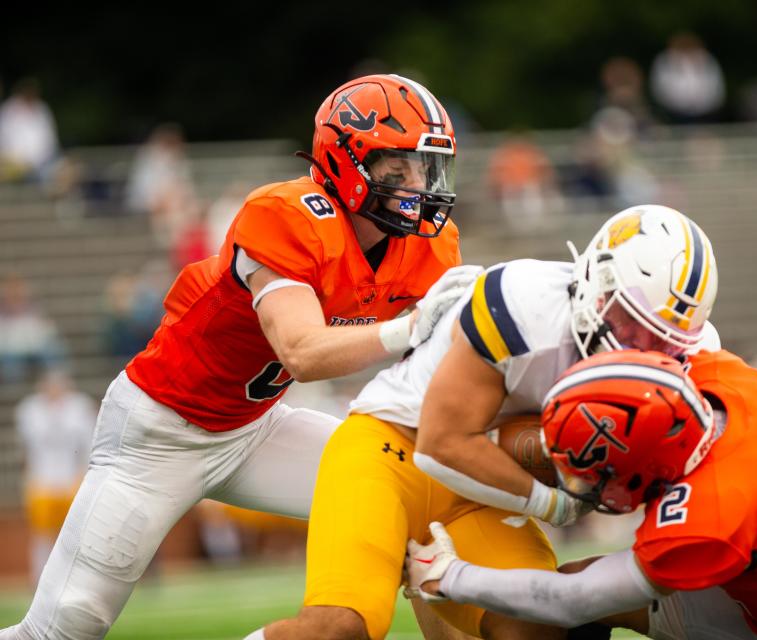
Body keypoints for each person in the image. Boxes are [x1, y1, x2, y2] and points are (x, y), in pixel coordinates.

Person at [0, 73, 472, 640]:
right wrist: (414, 325)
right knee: (63, 630)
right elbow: (302, 352)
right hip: (160, 431)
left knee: (413, 507)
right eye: (398, 169)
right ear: (349, 164)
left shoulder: (427, 245)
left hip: (255, 428)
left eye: (423, 168)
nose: (417, 184)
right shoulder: (288, 216)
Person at [247, 204, 721, 640]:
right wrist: (555, 504)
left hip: (482, 492)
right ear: (595, 282)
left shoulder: (686, 362)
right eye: (627, 322)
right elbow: (440, 445)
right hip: (392, 453)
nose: (638, 348)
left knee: (538, 630)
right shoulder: (523, 303)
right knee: (339, 628)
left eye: (660, 342)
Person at [405, 348, 757, 640]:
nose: (595, 485)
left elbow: (569, 603)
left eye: (606, 472)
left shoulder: (715, 512)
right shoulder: (727, 380)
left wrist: (455, 577)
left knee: (576, 598)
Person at [14, 370, 96, 583]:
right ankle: (40, 579)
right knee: (43, 535)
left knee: (76, 534)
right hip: (42, 481)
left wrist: (85, 476)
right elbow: (28, 449)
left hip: (72, 480)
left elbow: (88, 445)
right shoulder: (30, 409)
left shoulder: (79, 406)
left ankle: (77, 578)